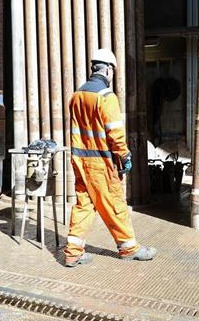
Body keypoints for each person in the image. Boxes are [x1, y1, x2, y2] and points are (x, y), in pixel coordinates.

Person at [61, 49, 158, 267]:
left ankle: (73, 253)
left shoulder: (76, 96)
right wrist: (124, 156)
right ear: (108, 69)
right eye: (113, 70)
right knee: (114, 203)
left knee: (84, 205)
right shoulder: (106, 97)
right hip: (100, 163)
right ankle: (129, 248)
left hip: (79, 161)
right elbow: (115, 133)